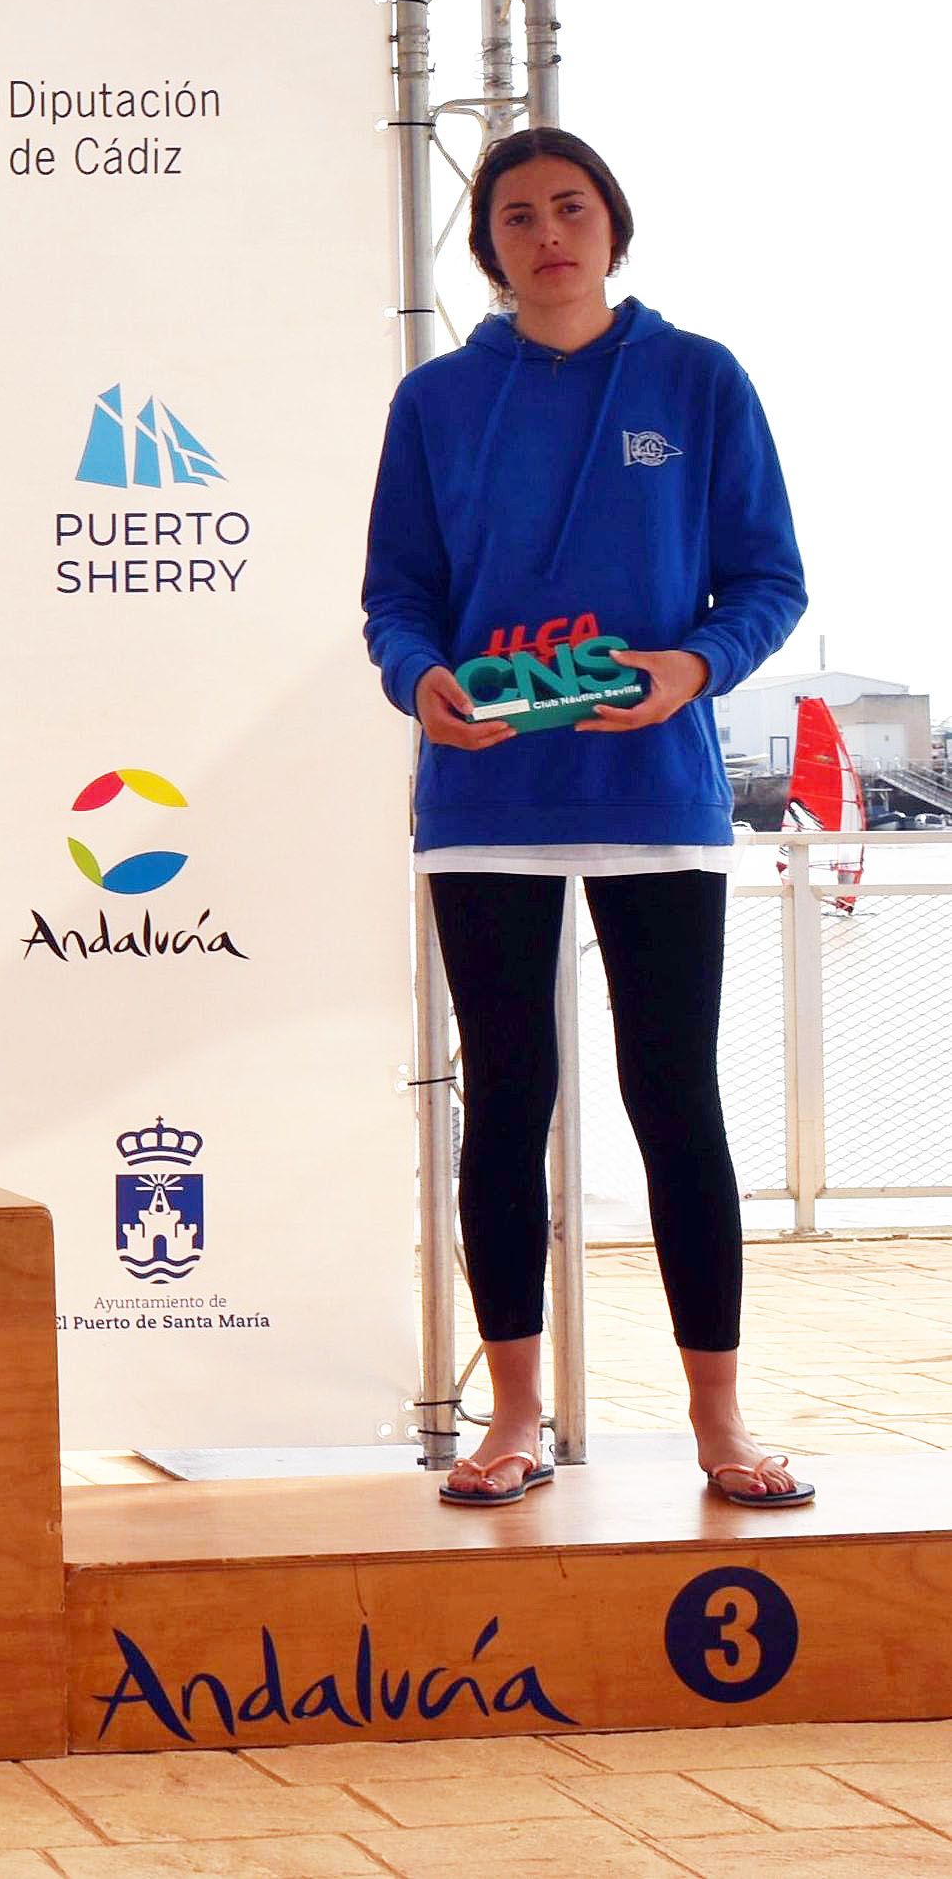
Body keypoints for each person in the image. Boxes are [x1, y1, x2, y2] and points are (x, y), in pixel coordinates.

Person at [361, 126, 808, 1509]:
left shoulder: (697, 379)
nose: (544, 234)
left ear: (611, 228)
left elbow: (765, 583)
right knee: (504, 1101)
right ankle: (511, 1419)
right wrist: (420, 681)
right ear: (486, 246)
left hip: (653, 790)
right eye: (513, 216)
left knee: (674, 1099)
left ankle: (718, 1426)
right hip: (485, 794)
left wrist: (689, 670)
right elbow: (395, 596)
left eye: (569, 209)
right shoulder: (434, 402)